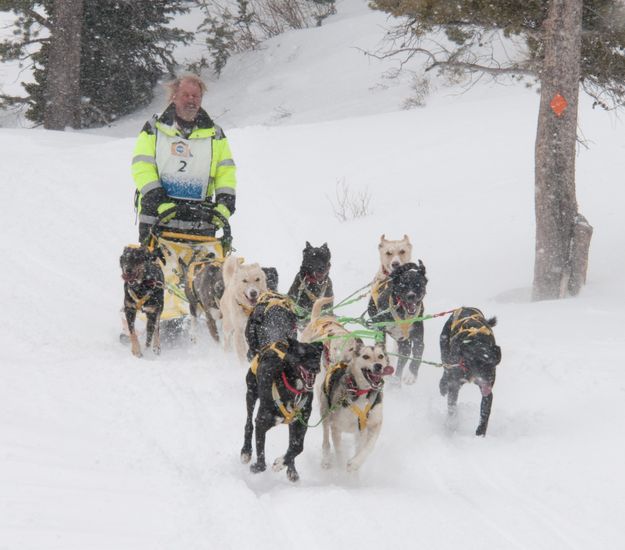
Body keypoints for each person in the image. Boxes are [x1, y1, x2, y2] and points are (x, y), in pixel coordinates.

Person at [131, 74, 236, 242]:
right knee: (154, 266)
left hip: (201, 218)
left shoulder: (215, 134)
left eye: (196, 96)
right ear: (174, 96)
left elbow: (225, 171)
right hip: (158, 216)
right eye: (185, 95)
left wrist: (225, 204)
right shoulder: (154, 128)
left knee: (202, 267)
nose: (191, 100)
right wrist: (158, 200)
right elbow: (142, 166)